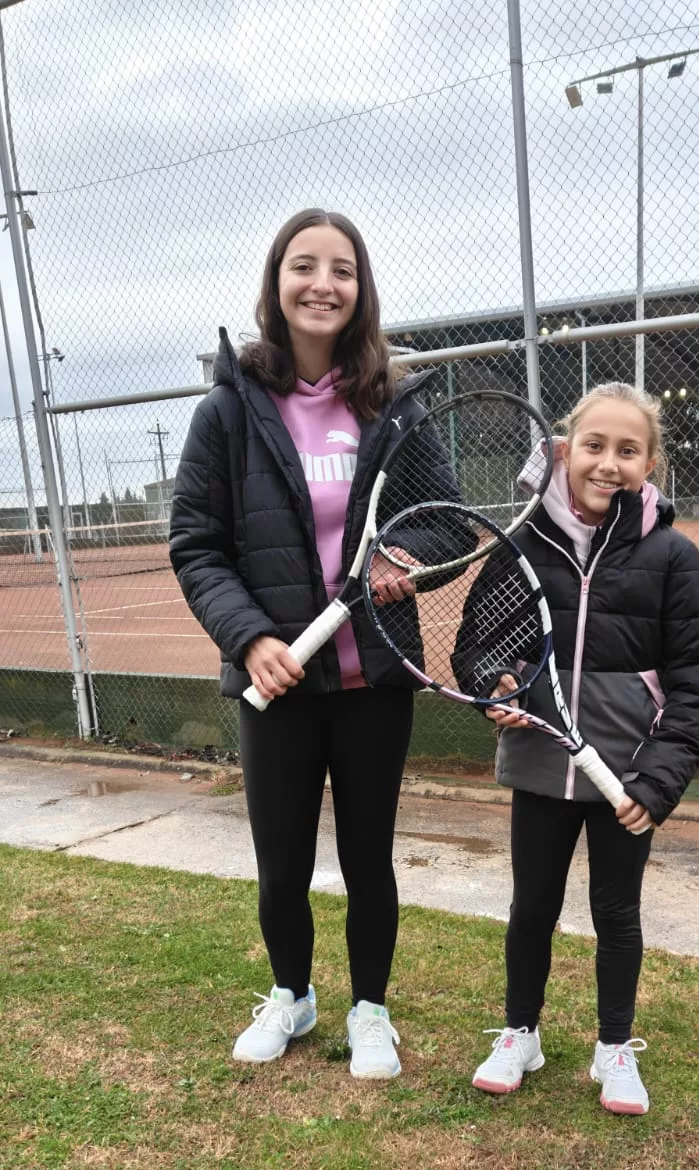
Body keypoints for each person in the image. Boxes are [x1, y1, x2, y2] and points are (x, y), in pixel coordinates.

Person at [169, 208, 457, 1079]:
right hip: (278, 679)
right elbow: (196, 542)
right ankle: (292, 996)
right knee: (281, 861)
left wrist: (413, 559)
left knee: (369, 855)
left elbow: (443, 523)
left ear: (361, 290)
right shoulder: (226, 411)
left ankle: (371, 1007)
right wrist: (250, 637)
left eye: (342, 269)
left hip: (374, 674)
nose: (322, 283)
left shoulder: (394, 407)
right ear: (277, 283)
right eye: (304, 266)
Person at [468, 382, 699, 1112]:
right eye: (594, 445)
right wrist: (499, 682)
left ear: (652, 463)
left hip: (627, 777)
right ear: (564, 450)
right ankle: (521, 1031)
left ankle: (614, 1045)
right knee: (531, 908)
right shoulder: (522, 542)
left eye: (628, 450)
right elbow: (482, 643)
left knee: (617, 912)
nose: (608, 463)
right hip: (540, 763)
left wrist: (657, 781)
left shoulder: (673, 556)